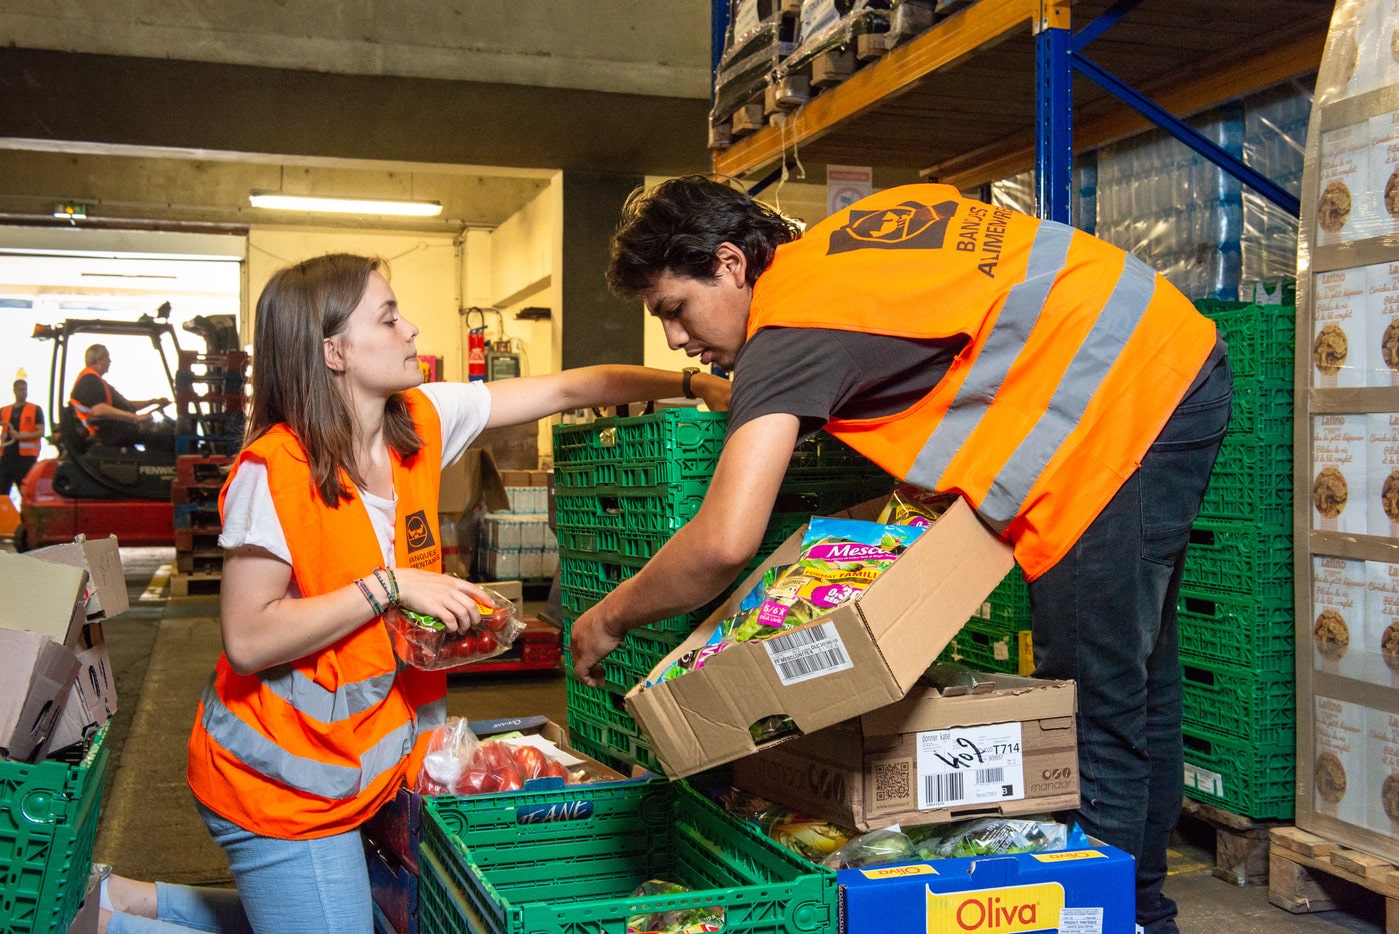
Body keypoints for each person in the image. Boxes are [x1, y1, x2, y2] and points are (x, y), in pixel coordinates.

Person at [568, 177, 1232, 934]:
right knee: (1139, 674)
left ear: (727, 263)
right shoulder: (832, 255)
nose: (676, 338)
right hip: (1161, 354)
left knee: (1093, 697)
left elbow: (723, 542)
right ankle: (1142, 907)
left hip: (1121, 402)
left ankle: (1115, 918)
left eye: (673, 310)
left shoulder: (788, 331)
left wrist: (610, 617)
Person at [97, 252, 729, 934]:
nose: (413, 329)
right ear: (332, 351)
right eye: (389, 316)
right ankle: (105, 926)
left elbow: (573, 389)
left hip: (362, 767)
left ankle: (133, 901)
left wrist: (694, 380)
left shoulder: (419, 422)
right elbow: (249, 639)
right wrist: (392, 587)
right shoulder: (274, 471)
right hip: (280, 779)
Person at [69, 343, 174, 450]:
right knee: (162, 434)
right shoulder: (90, 380)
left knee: (157, 431)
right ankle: (161, 464)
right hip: (102, 434)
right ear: (100, 359)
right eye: (108, 358)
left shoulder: (96, 381)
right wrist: (136, 418)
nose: (110, 361)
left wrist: (153, 402)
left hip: (110, 430)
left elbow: (126, 405)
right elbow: (99, 410)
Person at [0, 377, 44, 496]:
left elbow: (40, 432)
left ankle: (25, 515)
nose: (24, 392)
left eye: (25, 389)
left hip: (26, 459)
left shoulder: (35, 409)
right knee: (2, 492)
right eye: (21, 389)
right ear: (14, 391)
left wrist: (19, 437)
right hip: (6, 457)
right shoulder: (4, 410)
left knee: (26, 493)